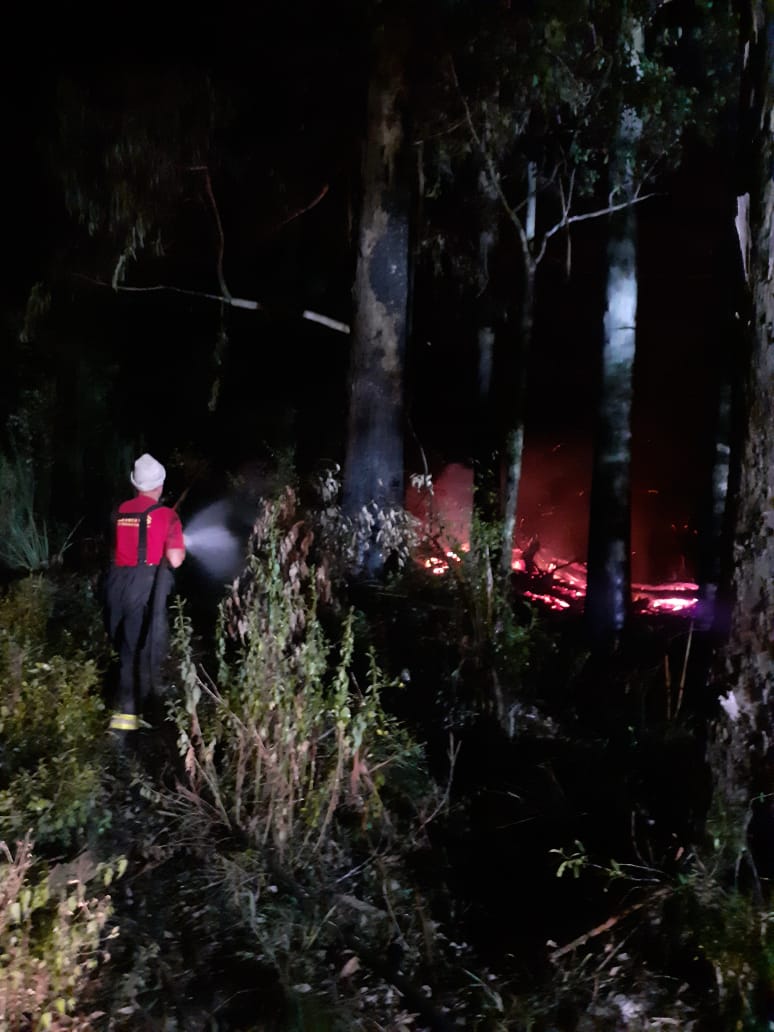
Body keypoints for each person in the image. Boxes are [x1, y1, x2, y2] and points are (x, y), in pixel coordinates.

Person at [105, 453, 185, 739]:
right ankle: (132, 718)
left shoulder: (119, 511)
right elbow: (175, 559)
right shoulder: (168, 516)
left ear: (135, 485)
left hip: (117, 584)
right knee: (145, 647)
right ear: (160, 485)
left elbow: (117, 547)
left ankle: (128, 714)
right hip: (145, 586)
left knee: (125, 645)